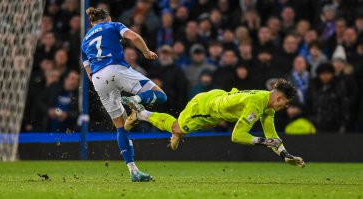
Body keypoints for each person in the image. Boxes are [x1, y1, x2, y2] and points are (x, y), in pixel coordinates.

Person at [125, 78, 305, 168]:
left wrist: (285, 155)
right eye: (286, 104)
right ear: (280, 98)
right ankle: (141, 114)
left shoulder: (267, 104)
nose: (284, 107)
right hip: (204, 107)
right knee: (178, 128)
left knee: (193, 128)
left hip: (218, 104)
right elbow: (237, 136)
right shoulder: (256, 105)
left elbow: (272, 135)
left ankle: (176, 132)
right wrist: (263, 142)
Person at [81, 7, 167, 182]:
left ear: (91, 22)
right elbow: (133, 36)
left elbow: (88, 70)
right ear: (108, 17)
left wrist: (104, 84)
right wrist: (146, 52)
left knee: (121, 126)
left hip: (97, 77)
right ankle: (135, 100)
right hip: (116, 68)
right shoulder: (113, 25)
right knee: (160, 95)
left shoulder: (84, 41)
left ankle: (133, 171)